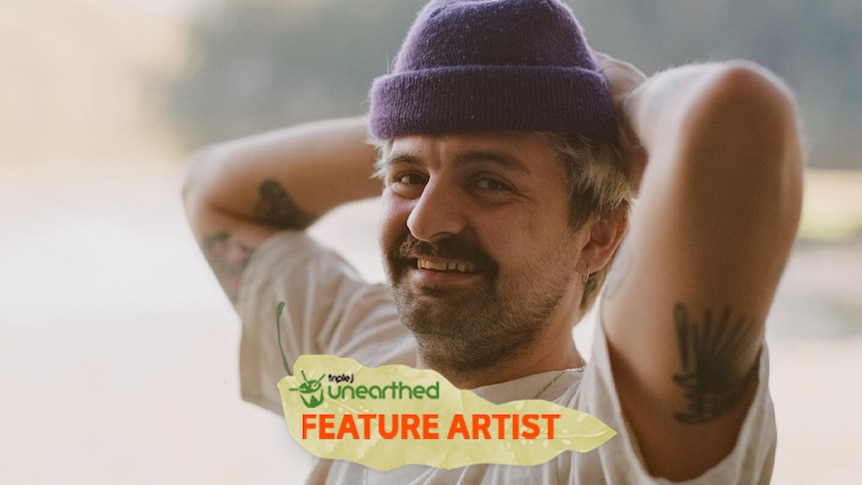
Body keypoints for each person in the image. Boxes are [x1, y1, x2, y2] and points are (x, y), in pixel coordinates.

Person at [183, 0, 803, 483]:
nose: (426, 222)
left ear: (600, 234)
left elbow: (736, 115)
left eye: (489, 182)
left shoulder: (612, 440)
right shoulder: (361, 351)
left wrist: (613, 99)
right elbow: (211, 187)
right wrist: (432, 110)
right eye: (407, 178)